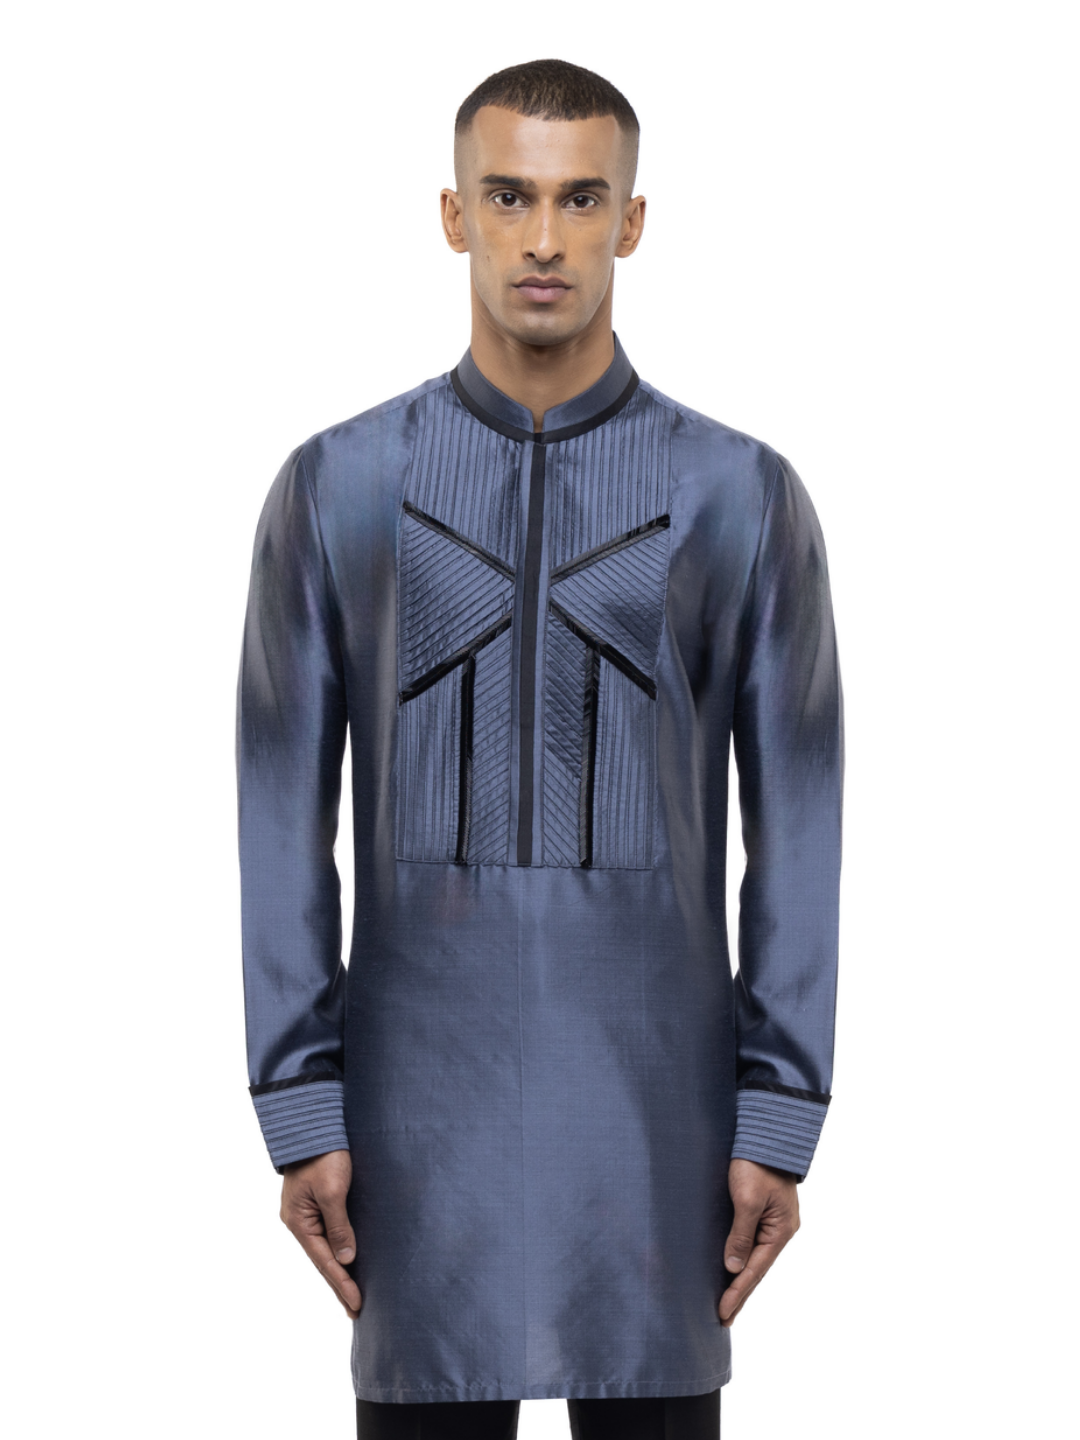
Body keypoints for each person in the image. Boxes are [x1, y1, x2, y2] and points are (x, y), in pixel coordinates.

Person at [236, 58, 843, 1440]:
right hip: (412, 1126)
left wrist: (779, 1111)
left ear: (634, 221)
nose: (545, 239)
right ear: (454, 216)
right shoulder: (339, 488)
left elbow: (800, 825)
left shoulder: (741, 496)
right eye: (509, 197)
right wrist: (299, 1098)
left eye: (581, 200)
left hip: (659, 1124)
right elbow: (279, 816)